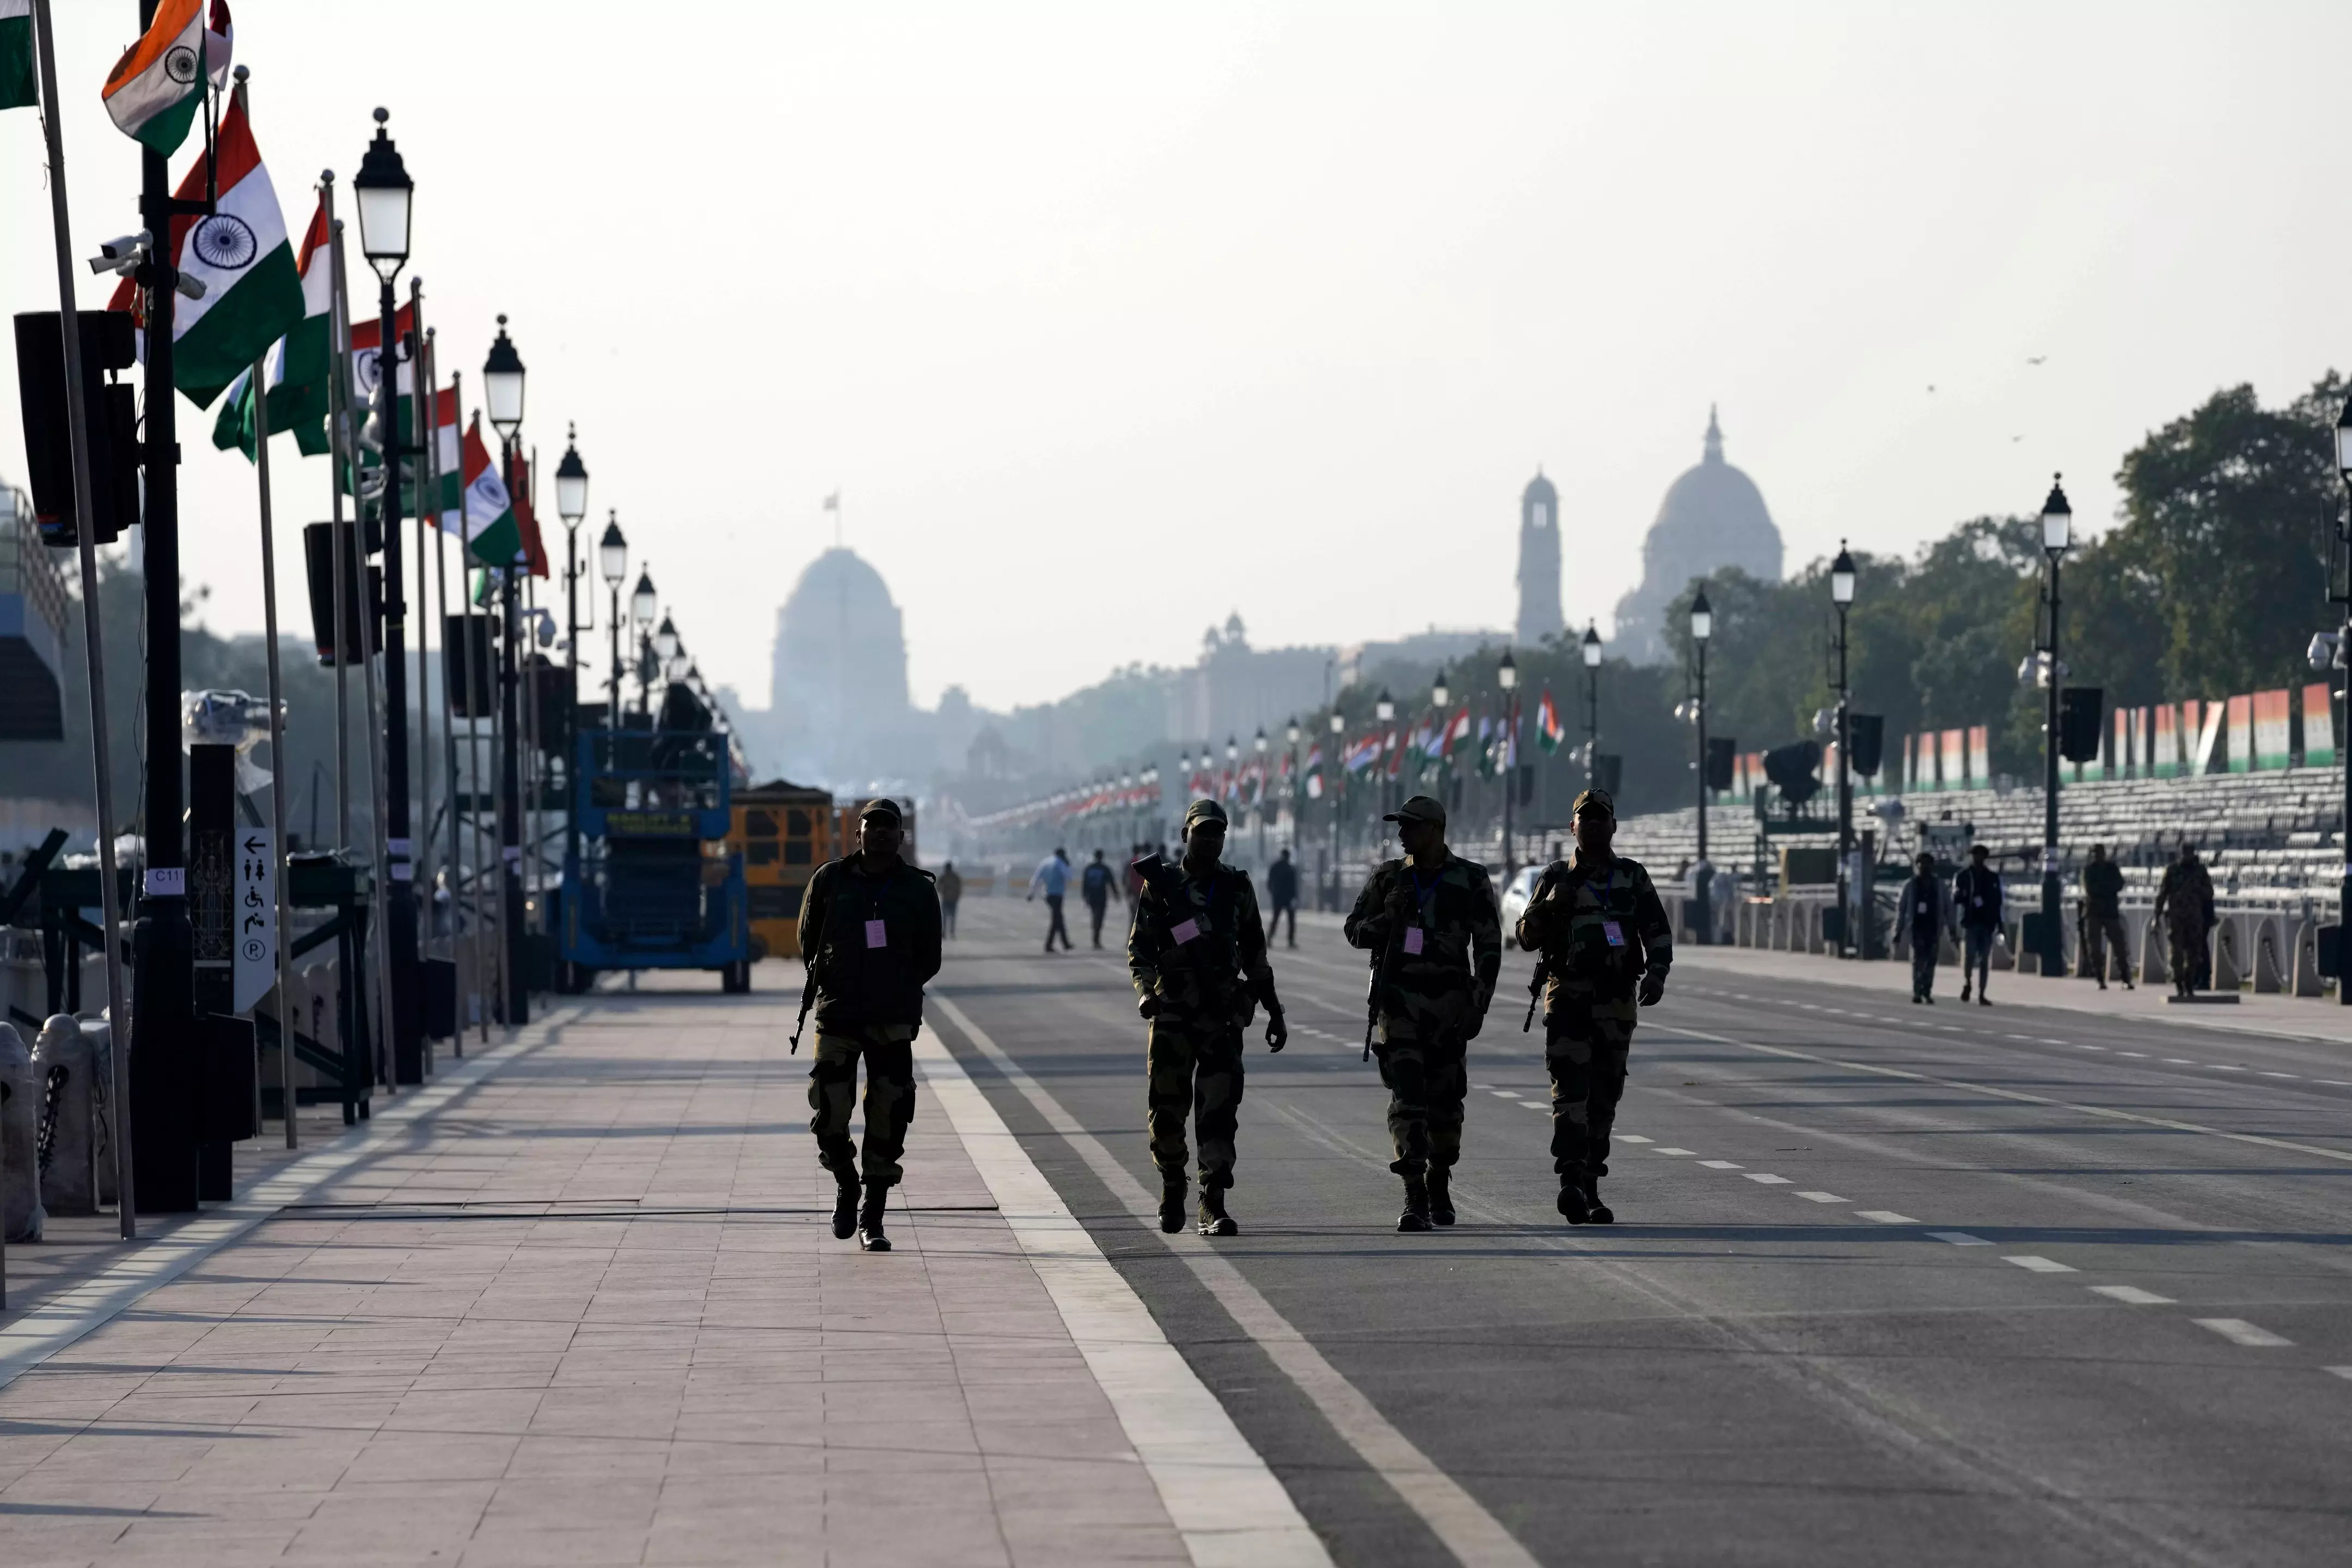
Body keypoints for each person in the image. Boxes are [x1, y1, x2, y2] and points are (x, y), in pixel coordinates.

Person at [1129, 800, 1287, 1236]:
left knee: (1218, 1113)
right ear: (1185, 835)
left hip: (1221, 1015)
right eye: (1202, 833)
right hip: (1173, 1014)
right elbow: (1139, 950)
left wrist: (1274, 1010)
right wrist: (1147, 994)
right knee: (1167, 1112)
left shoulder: (1237, 887)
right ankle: (1173, 1183)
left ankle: (1212, 1202)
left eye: (1218, 834)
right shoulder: (1162, 886)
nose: (1211, 841)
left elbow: (1256, 953)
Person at [1344, 793, 1500, 1233]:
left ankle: (1439, 1179)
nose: (1401, 834)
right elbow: (1354, 930)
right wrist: (1384, 920)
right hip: (1399, 1005)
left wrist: (1479, 1003)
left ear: (1435, 830)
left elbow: (1489, 946)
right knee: (1408, 1099)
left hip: (1450, 1007)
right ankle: (1414, 1192)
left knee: (1446, 1108)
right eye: (1400, 826)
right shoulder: (1388, 879)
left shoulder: (1470, 879)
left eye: (1410, 826)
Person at [1514, 788, 1670, 1226]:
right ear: (1573, 827)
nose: (1595, 824)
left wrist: (1658, 973)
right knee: (1570, 1093)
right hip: (1569, 1000)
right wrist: (1549, 906)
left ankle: (1590, 1185)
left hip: (1617, 1001)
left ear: (1614, 826)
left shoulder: (1632, 877)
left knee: (1605, 1097)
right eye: (1586, 817)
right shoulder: (1557, 875)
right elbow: (1526, 936)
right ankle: (1570, 1179)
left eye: (1602, 817)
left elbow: (1657, 929)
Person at [797, 798, 943, 1252]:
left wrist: (894, 985)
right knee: (830, 1110)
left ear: (901, 837)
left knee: (890, 1113)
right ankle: (846, 1180)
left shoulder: (917, 889)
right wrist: (838, 979)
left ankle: (873, 1217)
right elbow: (807, 938)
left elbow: (930, 957)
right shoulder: (830, 880)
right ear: (857, 834)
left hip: (892, 1019)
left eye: (889, 827)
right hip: (838, 1013)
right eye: (871, 826)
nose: (880, 833)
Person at [2154, 842, 2215, 1000]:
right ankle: (2179, 983)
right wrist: (2156, 917)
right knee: (2176, 953)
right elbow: (2162, 895)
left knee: (2194, 953)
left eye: (2189, 852)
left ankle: (2189, 981)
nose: (2187, 855)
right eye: (2184, 852)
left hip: (2194, 917)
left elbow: (2210, 893)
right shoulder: (2172, 871)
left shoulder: (2200, 871)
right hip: (2176, 918)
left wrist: (2198, 890)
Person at [1953, 843, 2002, 1005]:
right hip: (1970, 921)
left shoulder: (1992, 878)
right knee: (1969, 957)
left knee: (1984, 960)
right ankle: (1968, 982)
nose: (1978, 858)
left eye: (1981, 855)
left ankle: (1982, 992)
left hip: (1987, 923)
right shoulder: (1964, 876)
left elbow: (1997, 902)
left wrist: (1999, 923)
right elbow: (1956, 897)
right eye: (1975, 855)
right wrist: (1965, 895)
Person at [1902, 851, 1952, 1004]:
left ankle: (1927, 990)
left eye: (1927, 863)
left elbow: (1948, 907)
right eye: (1921, 863)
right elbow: (1902, 908)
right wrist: (1897, 930)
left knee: (1931, 961)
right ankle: (1917, 991)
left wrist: (1952, 927)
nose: (1924, 866)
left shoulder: (1940, 886)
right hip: (1917, 928)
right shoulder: (1910, 885)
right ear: (1917, 865)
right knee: (1918, 960)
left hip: (1933, 928)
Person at [2079, 843, 2132, 991]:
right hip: (2094, 912)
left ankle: (2125, 978)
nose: (2098, 856)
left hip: (2110, 912)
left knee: (2120, 946)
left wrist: (2103, 888)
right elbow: (2090, 889)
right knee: (2095, 949)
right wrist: (2107, 888)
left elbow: (2119, 884)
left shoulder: (2112, 868)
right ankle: (2099, 978)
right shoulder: (2089, 870)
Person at [1028, 846, 1074, 953]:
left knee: (1058, 918)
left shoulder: (1045, 862)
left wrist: (1032, 893)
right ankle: (1050, 945)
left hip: (1048, 894)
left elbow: (1036, 878)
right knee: (1057, 919)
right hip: (1058, 894)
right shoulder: (1061, 864)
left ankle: (1064, 943)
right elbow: (1070, 877)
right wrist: (1068, 865)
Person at [1080, 848, 1122, 948]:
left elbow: (1085, 884)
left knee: (1095, 916)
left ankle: (1095, 938)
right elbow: (1111, 883)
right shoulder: (1105, 868)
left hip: (1091, 897)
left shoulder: (1089, 868)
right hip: (1101, 896)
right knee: (1099, 917)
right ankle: (1096, 939)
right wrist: (1116, 895)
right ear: (1102, 857)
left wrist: (1084, 896)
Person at [1265, 847, 1300, 948]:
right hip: (1288, 898)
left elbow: (1270, 882)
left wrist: (1273, 893)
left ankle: (1269, 939)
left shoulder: (1275, 867)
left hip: (1278, 897)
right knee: (1291, 921)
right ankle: (1291, 941)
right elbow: (1294, 886)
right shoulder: (1290, 868)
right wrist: (1295, 898)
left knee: (1275, 919)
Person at [937, 861, 963, 939]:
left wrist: (943, 892)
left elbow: (938, 886)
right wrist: (957, 896)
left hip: (946, 899)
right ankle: (952, 933)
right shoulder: (956, 877)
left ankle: (945, 933)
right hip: (953, 899)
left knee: (945, 917)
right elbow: (959, 888)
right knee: (953, 917)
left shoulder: (944, 877)